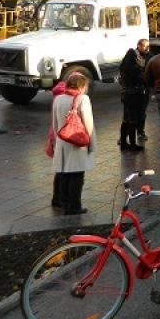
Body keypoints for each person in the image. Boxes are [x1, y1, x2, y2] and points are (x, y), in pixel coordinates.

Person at [51, 72, 97, 215]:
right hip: (77, 142)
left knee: (64, 174)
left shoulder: (58, 99)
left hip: (62, 140)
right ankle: (74, 206)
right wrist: (92, 144)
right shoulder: (83, 99)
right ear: (82, 85)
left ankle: (64, 203)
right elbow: (88, 123)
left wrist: (57, 138)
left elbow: (55, 122)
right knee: (77, 175)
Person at [117, 38, 150, 152]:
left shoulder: (123, 68)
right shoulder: (136, 69)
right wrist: (141, 67)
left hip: (125, 94)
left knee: (126, 119)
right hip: (135, 95)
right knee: (133, 120)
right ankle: (132, 144)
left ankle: (123, 142)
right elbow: (143, 79)